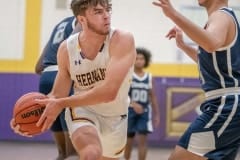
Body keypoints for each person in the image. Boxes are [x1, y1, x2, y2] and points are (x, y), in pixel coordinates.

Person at [11, 0, 136, 160]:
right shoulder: (66, 49)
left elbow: (109, 93)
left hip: (116, 115)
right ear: (81, 19)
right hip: (83, 110)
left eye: (108, 10)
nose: (107, 16)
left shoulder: (122, 40)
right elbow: (57, 95)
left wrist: (61, 103)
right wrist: (30, 119)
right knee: (91, 153)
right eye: (98, 12)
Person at [153, 0, 240, 160]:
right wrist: (183, 46)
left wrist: (173, 14)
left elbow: (211, 43)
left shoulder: (221, 16)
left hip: (225, 105)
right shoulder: (222, 19)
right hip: (228, 104)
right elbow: (210, 62)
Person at [35, 16, 78, 160]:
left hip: (46, 77)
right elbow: (71, 46)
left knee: (62, 153)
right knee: (73, 153)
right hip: (63, 77)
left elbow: (38, 67)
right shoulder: (82, 20)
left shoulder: (60, 24)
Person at [124, 47, 160, 160]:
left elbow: (153, 96)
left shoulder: (149, 77)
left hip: (144, 112)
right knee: (128, 141)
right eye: (137, 58)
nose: (139, 61)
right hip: (130, 111)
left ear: (146, 60)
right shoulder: (128, 75)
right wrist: (134, 104)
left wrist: (157, 114)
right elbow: (123, 94)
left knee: (143, 141)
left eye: (142, 58)